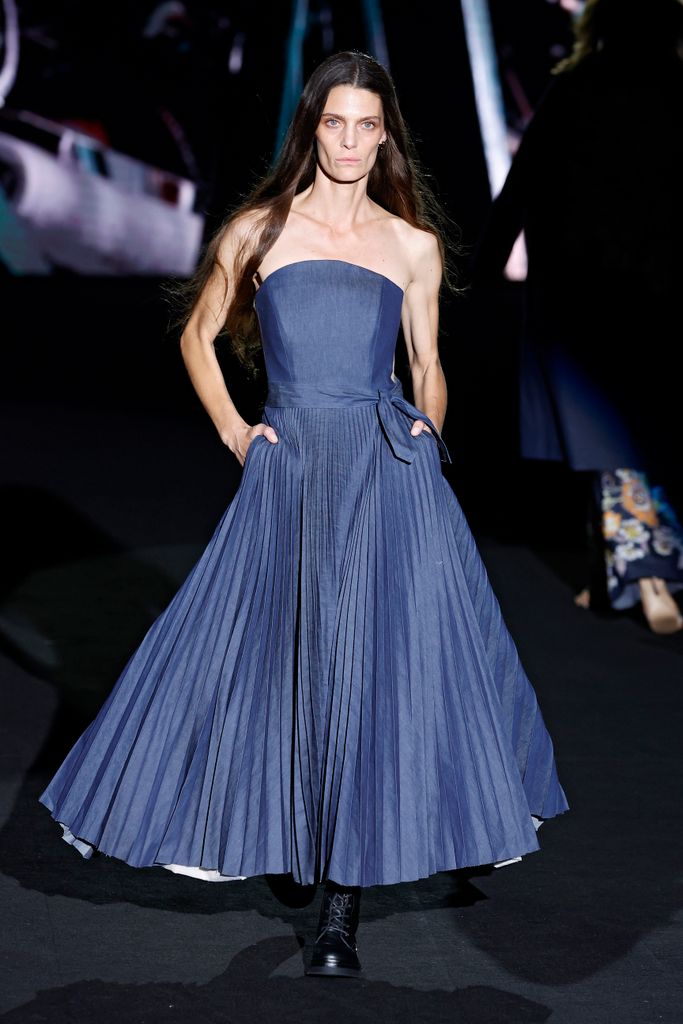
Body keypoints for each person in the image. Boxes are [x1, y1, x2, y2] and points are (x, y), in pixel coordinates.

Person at [38, 50, 568, 980]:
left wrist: (425, 442)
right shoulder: (259, 230)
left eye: (368, 126)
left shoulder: (411, 245)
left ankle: (339, 915)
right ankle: (292, 828)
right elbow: (198, 334)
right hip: (287, 469)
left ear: (386, 137)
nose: (351, 142)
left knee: (372, 672)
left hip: (384, 473)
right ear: (310, 129)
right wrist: (237, 434)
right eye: (335, 123)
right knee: (271, 651)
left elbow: (427, 364)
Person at [472, 0, 683, 634]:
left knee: (604, 434)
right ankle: (632, 573)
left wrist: (482, 275)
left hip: (582, 289)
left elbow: (521, 186)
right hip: (656, 287)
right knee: (638, 429)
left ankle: (641, 573)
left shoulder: (577, 88)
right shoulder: (673, 90)